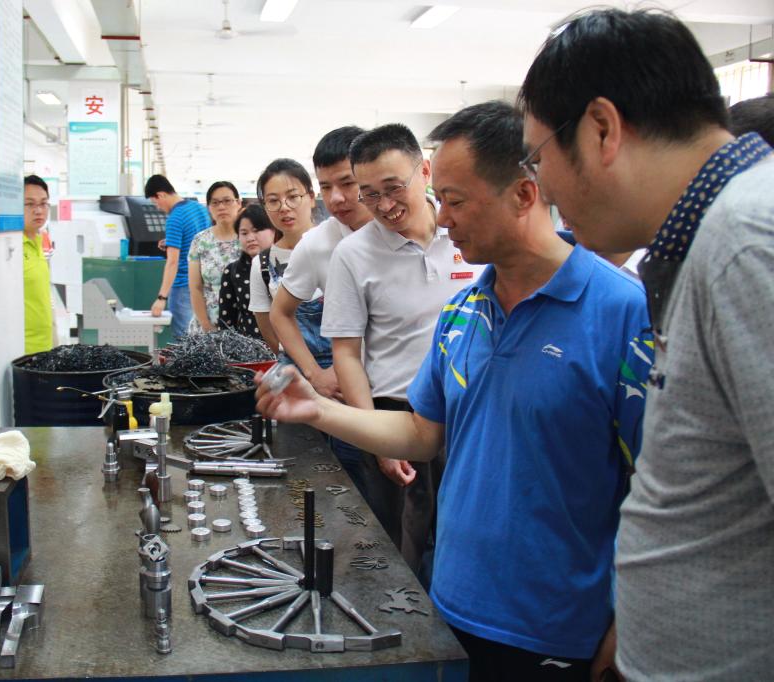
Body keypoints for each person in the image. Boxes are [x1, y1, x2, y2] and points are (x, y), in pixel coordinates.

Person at [257, 101, 652, 681]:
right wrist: (316, 409)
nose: (441, 218)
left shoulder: (624, 314)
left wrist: (634, 621)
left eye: (455, 201)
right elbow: (421, 432)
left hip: (556, 624)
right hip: (455, 605)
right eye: (439, 199)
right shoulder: (464, 311)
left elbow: (661, 489)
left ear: (524, 194)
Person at [518, 9, 774, 680]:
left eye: (538, 157)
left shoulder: (746, 243)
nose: (544, 187)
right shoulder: (715, 238)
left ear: (601, 128)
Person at [321, 123, 484, 580]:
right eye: (369, 194)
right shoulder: (353, 255)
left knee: (465, 543)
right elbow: (346, 354)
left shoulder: (469, 236)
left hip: (469, 415)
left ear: (424, 171)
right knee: (397, 554)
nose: (384, 205)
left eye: (394, 188)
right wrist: (375, 436)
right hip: (396, 414)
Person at [269, 127, 372, 399]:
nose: (335, 198)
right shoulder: (316, 243)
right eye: (326, 187)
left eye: (347, 183)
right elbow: (280, 313)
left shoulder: (402, 231)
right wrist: (315, 374)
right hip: (353, 393)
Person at [248, 159, 325, 363]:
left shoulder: (336, 245)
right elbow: (268, 330)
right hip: (295, 366)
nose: (284, 207)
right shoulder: (262, 264)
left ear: (311, 197)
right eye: (273, 201)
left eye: (293, 197)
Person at [144, 174, 210, 339]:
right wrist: (171, 242)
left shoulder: (175, 218)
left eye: (155, 202)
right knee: (203, 337)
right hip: (204, 282)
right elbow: (199, 239)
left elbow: (172, 262)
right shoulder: (199, 208)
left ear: (161, 195)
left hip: (183, 287)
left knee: (185, 340)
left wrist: (161, 298)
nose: (158, 207)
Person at [188, 181, 242, 333]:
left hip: (244, 326)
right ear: (209, 207)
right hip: (206, 325)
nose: (221, 207)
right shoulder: (200, 241)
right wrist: (206, 325)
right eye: (215, 203)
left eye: (227, 201)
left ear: (238, 203)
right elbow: (195, 287)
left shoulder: (249, 239)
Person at [218, 204, 275, 339]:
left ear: (274, 230)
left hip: (290, 344)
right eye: (244, 233)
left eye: (256, 230)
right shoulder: (232, 271)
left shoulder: (288, 264)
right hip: (251, 347)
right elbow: (226, 322)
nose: (250, 238)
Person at [22, 174, 53, 354]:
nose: (38, 210)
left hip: (43, 346)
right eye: (30, 204)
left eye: (43, 203)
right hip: (21, 349)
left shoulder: (39, 242)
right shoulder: (11, 248)